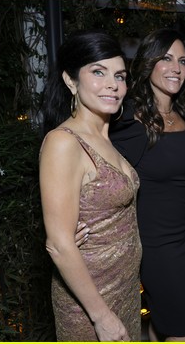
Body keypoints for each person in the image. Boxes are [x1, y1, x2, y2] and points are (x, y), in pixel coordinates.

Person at [39, 30, 141, 341]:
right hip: (91, 302)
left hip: (125, 289)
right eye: (98, 72)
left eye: (120, 76)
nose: (113, 84)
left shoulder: (107, 137)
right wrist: (101, 317)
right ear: (71, 80)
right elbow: (58, 243)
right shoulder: (63, 142)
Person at [108, 28, 185, 341]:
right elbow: (99, 174)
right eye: (166, 58)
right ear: (149, 63)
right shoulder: (130, 121)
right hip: (156, 244)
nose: (176, 67)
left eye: (183, 61)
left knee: (162, 323)